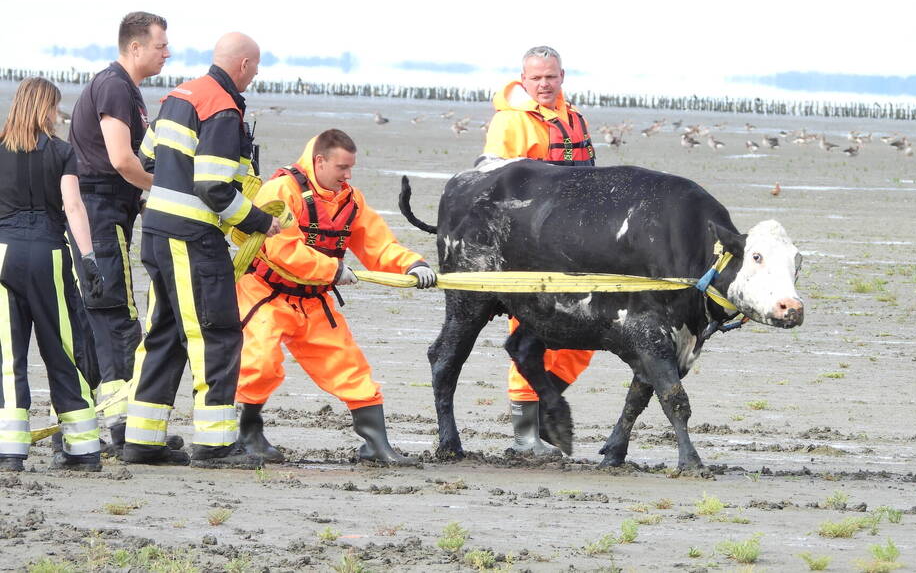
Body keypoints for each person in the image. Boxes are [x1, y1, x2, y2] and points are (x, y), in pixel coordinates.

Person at [122, 32, 282, 468]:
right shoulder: (222, 108)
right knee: (217, 335)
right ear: (245, 65)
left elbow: (147, 156)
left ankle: (142, 440)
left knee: (164, 335)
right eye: (256, 67)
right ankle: (214, 445)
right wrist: (260, 222)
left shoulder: (181, 95)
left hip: (156, 233)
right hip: (192, 241)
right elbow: (213, 186)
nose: (255, 75)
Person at [236, 129, 436, 465]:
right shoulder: (282, 191)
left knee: (350, 368)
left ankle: (375, 446)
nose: (348, 175)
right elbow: (282, 248)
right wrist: (332, 270)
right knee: (260, 363)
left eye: (350, 168)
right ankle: (248, 433)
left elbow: (378, 244)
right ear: (320, 161)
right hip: (266, 294)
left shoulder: (350, 199)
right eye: (342, 168)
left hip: (315, 300)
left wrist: (413, 264)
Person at [481, 45, 597, 455]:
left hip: (576, 248)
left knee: (582, 336)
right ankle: (525, 437)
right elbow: (490, 184)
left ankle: (548, 407)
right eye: (536, 78)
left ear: (562, 76)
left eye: (551, 76)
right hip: (529, 249)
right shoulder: (509, 123)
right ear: (523, 79)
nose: (544, 84)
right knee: (527, 336)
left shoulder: (576, 118)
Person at [67, 11, 168, 454]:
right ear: (135, 47)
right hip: (100, 211)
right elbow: (123, 161)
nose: (167, 53)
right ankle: (130, 430)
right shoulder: (114, 86)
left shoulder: (128, 89)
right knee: (117, 316)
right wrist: (166, 191)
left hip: (108, 210)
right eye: (161, 45)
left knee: (97, 317)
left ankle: (106, 428)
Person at [0, 78, 105, 472]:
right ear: (46, 109)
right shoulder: (62, 152)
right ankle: (82, 450)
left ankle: (10, 452)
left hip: (3, 254)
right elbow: (74, 208)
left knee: (9, 356)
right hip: (48, 254)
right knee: (62, 349)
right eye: (55, 108)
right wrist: (89, 258)